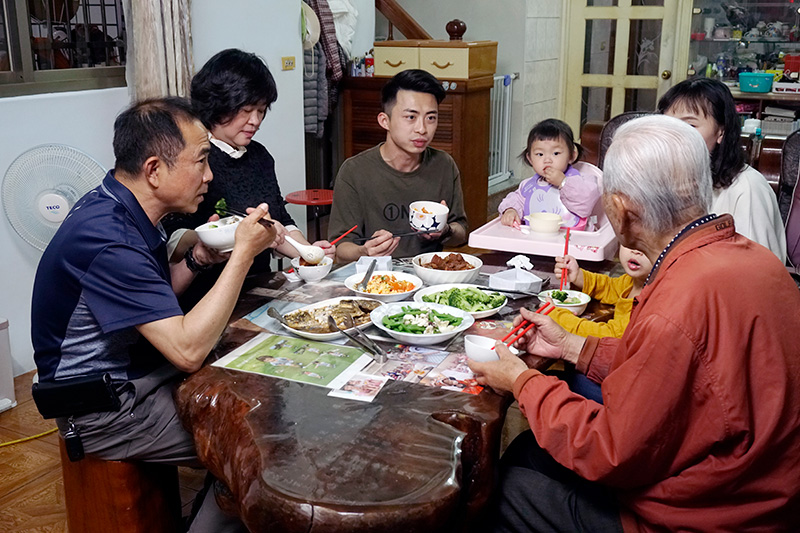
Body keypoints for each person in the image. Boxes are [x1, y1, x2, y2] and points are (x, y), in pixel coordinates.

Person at [469, 115, 800, 532]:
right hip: (762, 490)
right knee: (529, 451)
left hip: (707, 514)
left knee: (497, 488)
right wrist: (572, 346)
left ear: (622, 211)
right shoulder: (754, 260)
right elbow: (682, 370)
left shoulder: (676, 302)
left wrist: (522, 381)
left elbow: (608, 452)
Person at [30, 98, 277, 533]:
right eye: (201, 160)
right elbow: (186, 351)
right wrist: (242, 255)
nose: (209, 175)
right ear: (154, 170)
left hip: (138, 375)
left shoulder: (121, 204)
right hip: (106, 409)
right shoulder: (108, 238)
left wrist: (197, 259)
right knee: (255, 445)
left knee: (255, 381)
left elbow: (148, 300)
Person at [164, 48, 333, 289]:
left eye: (261, 111)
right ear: (218, 104)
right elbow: (172, 237)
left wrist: (308, 252)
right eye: (246, 110)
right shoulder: (192, 158)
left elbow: (279, 222)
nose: (255, 121)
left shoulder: (260, 156)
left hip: (257, 285)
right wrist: (231, 235)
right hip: (207, 289)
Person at [328, 69, 468, 261]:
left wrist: (445, 230)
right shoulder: (354, 171)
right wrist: (365, 251)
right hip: (374, 273)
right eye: (411, 117)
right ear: (385, 121)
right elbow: (340, 247)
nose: (422, 129)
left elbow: (461, 232)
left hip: (428, 271)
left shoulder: (444, 165)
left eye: (431, 118)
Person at [658, 77, 786, 262]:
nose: (674, 135)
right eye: (668, 125)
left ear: (721, 132)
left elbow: (755, 269)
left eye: (690, 125)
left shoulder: (747, 188)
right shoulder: (664, 179)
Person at [498, 119, 600, 231]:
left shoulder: (582, 180)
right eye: (540, 154)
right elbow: (515, 200)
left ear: (572, 156)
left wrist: (563, 182)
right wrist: (511, 210)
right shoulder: (528, 186)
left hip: (573, 239)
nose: (547, 160)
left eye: (555, 153)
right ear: (530, 158)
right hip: (536, 239)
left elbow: (586, 203)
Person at [551, 245, 651, 338]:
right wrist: (578, 276)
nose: (635, 250)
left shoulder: (649, 302)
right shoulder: (634, 280)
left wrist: (559, 318)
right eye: (629, 241)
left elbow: (611, 336)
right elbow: (611, 287)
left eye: (646, 243)